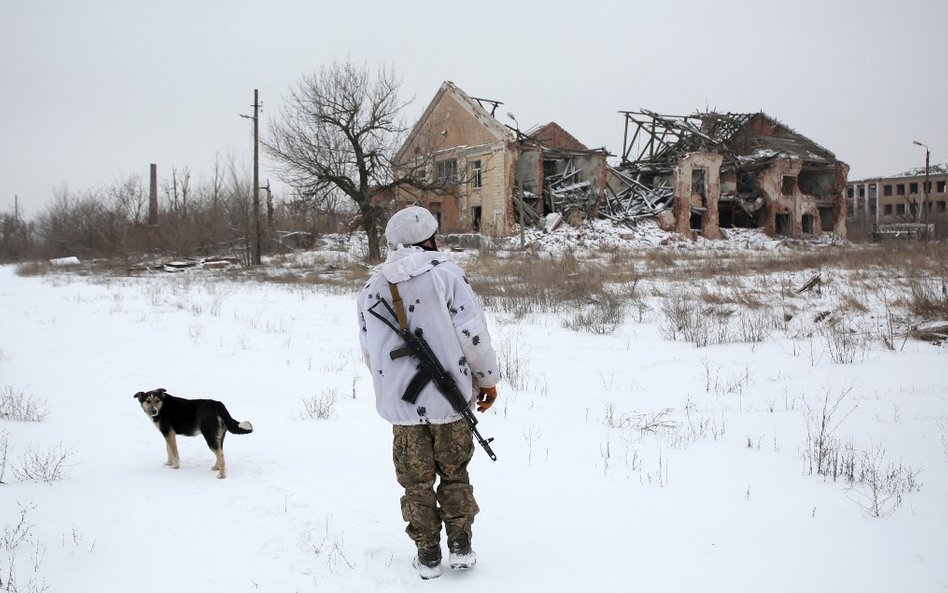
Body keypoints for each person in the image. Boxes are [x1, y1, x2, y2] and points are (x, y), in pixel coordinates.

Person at [357, 206, 500, 580]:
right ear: (429, 240)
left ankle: (428, 552)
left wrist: (391, 390)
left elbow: (369, 352)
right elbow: (473, 336)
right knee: (455, 474)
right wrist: (486, 380)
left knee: (414, 482)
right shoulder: (446, 277)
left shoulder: (370, 288)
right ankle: (461, 545)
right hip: (449, 404)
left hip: (403, 411)